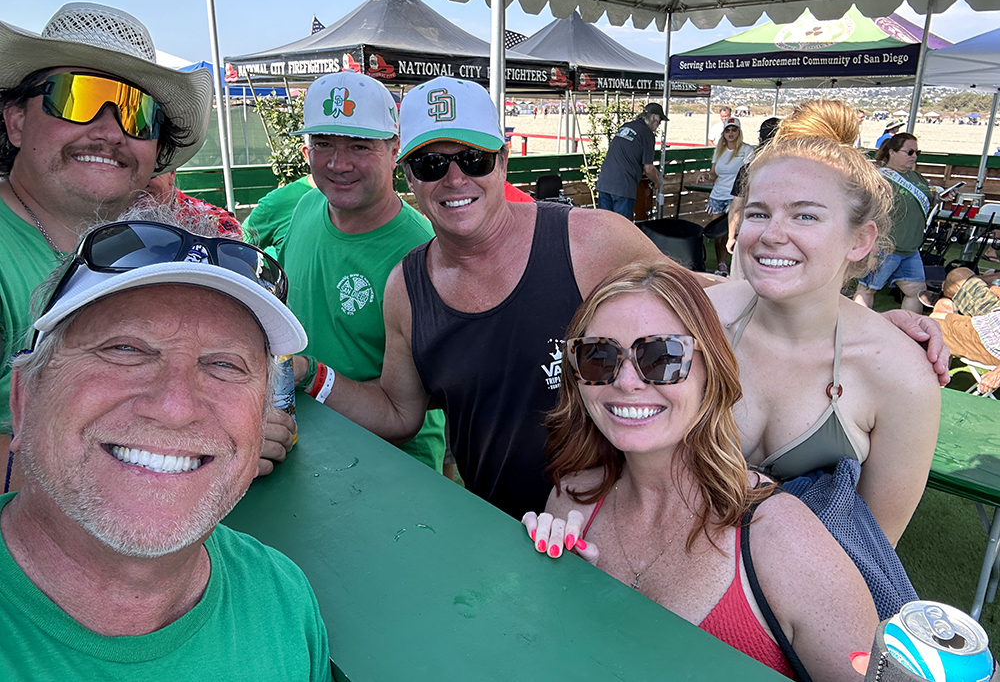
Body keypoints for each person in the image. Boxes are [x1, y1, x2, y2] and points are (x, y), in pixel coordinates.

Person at [306, 76, 691, 519]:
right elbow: (398, 413)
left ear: (502, 162)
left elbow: (701, 309)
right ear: (408, 175)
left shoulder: (591, 241)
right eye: (431, 165)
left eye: (475, 159)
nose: (455, 179)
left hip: (617, 521)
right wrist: (309, 374)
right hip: (501, 533)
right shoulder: (407, 288)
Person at [1, 209, 332, 679]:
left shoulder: (282, 601)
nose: (176, 406)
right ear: (25, 399)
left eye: (224, 364)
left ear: (261, 421)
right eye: (126, 348)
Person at [523, 261, 878, 681]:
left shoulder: (784, 542)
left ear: (710, 369)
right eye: (598, 357)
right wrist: (556, 588)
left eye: (662, 357)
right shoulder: (572, 500)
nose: (627, 381)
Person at [707, 101, 941, 551]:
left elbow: (874, 548)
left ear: (860, 240)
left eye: (805, 215)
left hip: (798, 589)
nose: (772, 234)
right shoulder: (700, 320)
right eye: (758, 213)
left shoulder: (901, 376)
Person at [0, 2, 212, 492]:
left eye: (138, 114)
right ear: (16, 122)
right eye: (76, 98)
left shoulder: (136, 251)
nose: (111, 132)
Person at [280, 72, 445, 472]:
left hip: (394, 465)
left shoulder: (423, 253)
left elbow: (415, 407)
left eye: (359, 145)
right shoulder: (305, 208)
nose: (339, 163)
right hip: (305, 440)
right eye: (323, 144)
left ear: (394, 150)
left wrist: (308, 375)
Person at [854, 133, 945, 314]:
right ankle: (856, 325)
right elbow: (871, 213)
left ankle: (907, 328)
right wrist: (873, 250)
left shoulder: (917, 177)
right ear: (892, 152)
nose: (914, 156)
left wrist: (940, 197)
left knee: (916, 291)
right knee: (867, 289)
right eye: (909, 152)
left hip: (910, 248)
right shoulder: (880, 178)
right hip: (885, 246)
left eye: (917, 152)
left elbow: (925, 200)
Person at [725, 117, 781, 276]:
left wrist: (731, 236)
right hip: (780, 236)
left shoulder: (748, 170)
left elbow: (736, 208)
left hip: (749, 232)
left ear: (760, 140)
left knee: (739, 282)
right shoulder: (794, 172)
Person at [699, 116, 751, 275]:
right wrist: (705, 176)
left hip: (736, 196)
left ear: (739, 132)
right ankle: (721, 264)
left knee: (735, 232)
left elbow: (749, 173)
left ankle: (738, 265)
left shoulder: (747, 150)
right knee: (718, 233)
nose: (730, 133)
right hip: (718, 195)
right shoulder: (719, 150)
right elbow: (713, 173)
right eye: (727, 130)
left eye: (734, 130)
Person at [594, 103, 665, 219]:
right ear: (653, 117)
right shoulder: (647, 134)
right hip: (623, 186)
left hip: (605, 182)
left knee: (604, 224)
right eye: (660, 120)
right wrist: (657, 182)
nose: (659, 124)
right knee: (621, 226)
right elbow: (648, 169)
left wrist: (656, 173)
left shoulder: (626, 126)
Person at [243, 144, 315, 258]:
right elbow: (236, 250)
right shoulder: (278, 203)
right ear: (308, 154)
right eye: (324, 145)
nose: (339, 163)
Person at [146, 170, 242, 237]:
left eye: (150, 174)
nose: (140, 183)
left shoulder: (217, 223)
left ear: (171, 173)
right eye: (131, 173)